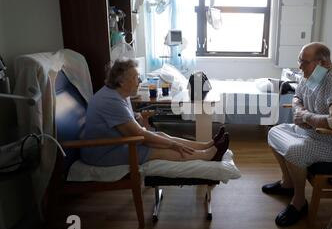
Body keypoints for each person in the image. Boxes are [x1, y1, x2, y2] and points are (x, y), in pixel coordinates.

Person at [263, 42, 332, 227]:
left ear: (323, 62)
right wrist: (299, 111)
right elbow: (297, 97)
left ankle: (299, 202)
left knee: (295, 152)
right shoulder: (313, 75)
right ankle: (288, 183)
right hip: (314, 133)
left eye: (304, 62)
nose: (300, 66)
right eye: (299, 61)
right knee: (274, 131)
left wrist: (306, 116)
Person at [81, 58, 229, 166]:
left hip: (117, 143)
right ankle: (207, 156)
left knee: (161, 135)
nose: (139, 81)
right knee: (159, 150)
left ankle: (206, 145)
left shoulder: (118, 93)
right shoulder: (110, 100)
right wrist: (171, 144)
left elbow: (129, 123)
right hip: (103, 152)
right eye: (135, 77)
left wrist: (139, 117)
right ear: (121, 82)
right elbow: (140, 135)